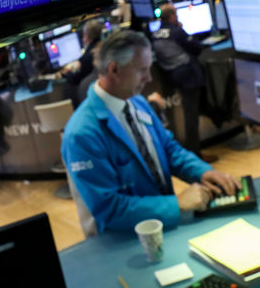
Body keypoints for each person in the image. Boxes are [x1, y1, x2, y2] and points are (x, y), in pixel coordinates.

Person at [61, 30, 239, 236]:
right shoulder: (82, 134)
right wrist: (176, 204)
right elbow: (110, 209)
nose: (149, 77)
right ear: (114, 69)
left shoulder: (137, 102)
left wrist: (203, 172)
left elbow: (169, 150)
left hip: (163, 228)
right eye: (142, 70)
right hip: (126, 242)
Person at [150, 3, 207, 156]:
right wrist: (182, 29)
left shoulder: (154, 34)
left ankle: (192, 151)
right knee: (191, 115)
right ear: (172, 16)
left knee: (187, 114)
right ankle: (195, 153)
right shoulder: (177, 31)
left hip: (172, 76)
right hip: (189, 77)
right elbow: (197, 47)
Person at [60, 19, 104, 106]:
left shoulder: (89, 56)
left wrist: (65, 74)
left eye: (84, 35)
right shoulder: (103, 47)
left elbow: (76, 79)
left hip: (91, 97)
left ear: (87, 36)